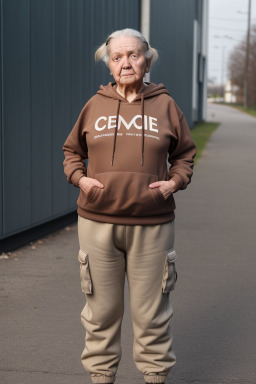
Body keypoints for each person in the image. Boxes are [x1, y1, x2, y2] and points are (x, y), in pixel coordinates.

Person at [63, 28, 196, 384]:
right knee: (101, 312)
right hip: (97, 223)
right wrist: (80, 179)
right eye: (118, 57)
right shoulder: (94, 106)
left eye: (134, 55)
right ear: (108, 64)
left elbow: (184, 155)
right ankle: (101, 377)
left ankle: (154, 377)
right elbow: (71, 152)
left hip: (152, 225)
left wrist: (174, 182)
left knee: (151, 313)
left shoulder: (166, 106)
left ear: (147, 60)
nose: (126, 63)